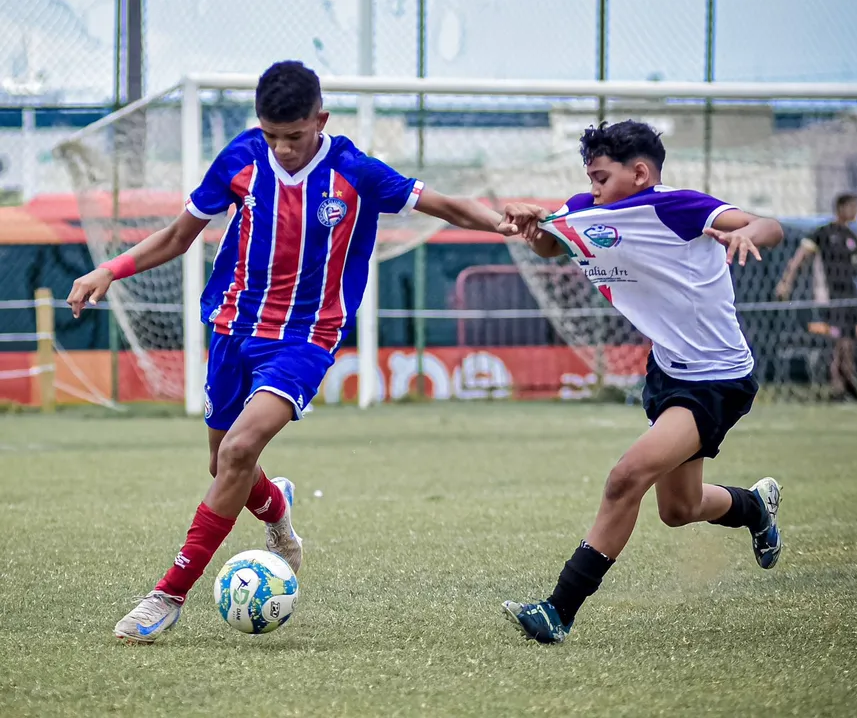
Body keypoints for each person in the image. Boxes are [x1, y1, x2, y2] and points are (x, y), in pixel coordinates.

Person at [67, 60, 518, 644]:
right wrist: (111, 267)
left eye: (295, 136)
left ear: (320, 120)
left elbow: (448, 206)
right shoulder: (240, 158)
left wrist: (503, 223)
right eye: (272, 135)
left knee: (239, 449)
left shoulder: (355, 171)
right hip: (233, 329)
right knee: (224, 463)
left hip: (306, 336)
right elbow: (180, 236)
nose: (281, 148)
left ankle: (167, 594)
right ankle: (276, 510)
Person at [499, 120, 785, 644]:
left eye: (601, 177)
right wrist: (533, 227)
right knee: (679, 509)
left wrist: (747, 232)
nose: (593, 187)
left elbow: (770, 224)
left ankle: (557, 611)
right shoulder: (586, 209)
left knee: (625, 477)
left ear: (639, 172)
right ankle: (754, 506)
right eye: (588, 177)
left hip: (717, 379)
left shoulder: (678, 207)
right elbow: (549, 246)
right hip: (668, 371)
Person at [776, 193, 857, 401]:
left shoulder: (852, 237)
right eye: (852, 207)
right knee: (837, 342)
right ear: (841, 208)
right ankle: (838, 386)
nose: (855, 211)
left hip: (849, 295)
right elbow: (799, 259)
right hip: (830, 296)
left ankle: (847, 380)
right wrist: (786, 281)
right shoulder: (823, 233)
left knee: (848, 341)